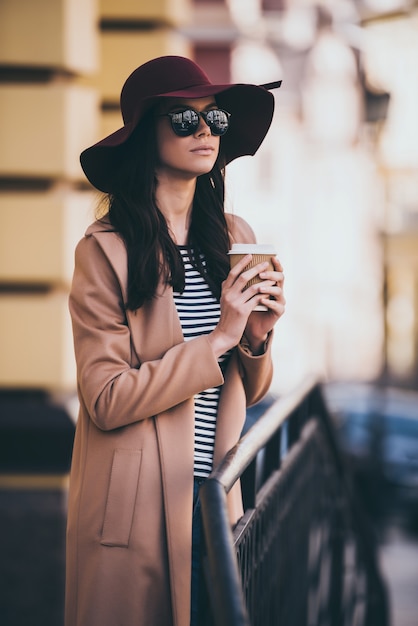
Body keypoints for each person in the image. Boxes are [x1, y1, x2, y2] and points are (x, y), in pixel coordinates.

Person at [65, 55, 285, 626]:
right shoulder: (104, 251)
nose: (206, 130)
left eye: (214, 118)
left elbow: (249, 390)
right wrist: (218, 339)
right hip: (135, 502)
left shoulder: (235, 238)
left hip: (214, 495)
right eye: (185, 120)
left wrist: (256, 339)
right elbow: (106, 399)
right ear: (145, 136)